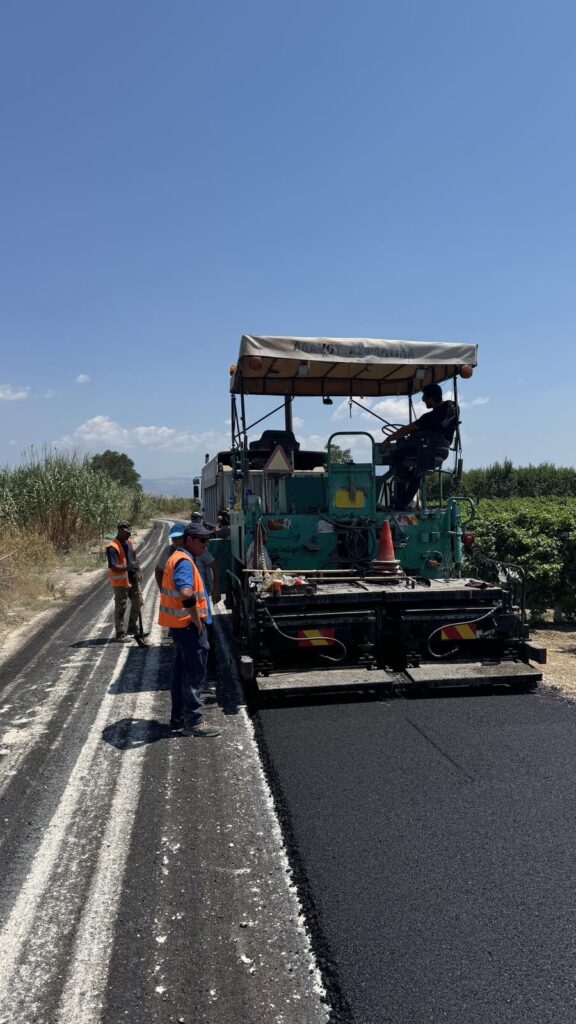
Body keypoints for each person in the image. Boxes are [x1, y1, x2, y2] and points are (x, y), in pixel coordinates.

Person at [158, 523, 221, 738]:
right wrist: (196, 619)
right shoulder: (184, 562)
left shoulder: (176, 558)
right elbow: (185, 593)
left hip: (179, 627)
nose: (205, 544)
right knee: (194, 674)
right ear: (189, 540)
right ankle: (193, 722)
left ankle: (178, 718)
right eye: (202, 540)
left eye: (207, 540)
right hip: (189, 627)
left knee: (180, 673)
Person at [385, 383, 458, 507]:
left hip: (426, 452)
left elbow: (408, 429)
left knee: (397, 456)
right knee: (417, 473)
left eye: (424, 398)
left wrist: (388, 440)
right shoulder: (453, 408)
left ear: (431, 398)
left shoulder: (428, 418)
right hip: (442, 453)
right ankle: (403, 502)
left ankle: (403, 480)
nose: (424, 401)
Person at [105, 522, 143, 641]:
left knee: (139, 602)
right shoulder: (112, 547)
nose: (129, 535)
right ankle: (120, 633)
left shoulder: (129, 542)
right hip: (121, 583)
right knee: (121, 607)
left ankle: (132, 627)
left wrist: (138, 571)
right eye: (127, 533)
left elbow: (134, 558)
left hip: (133, 579)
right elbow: (113, 566)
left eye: (130, 533)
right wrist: (128, 567)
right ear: (121, 531)